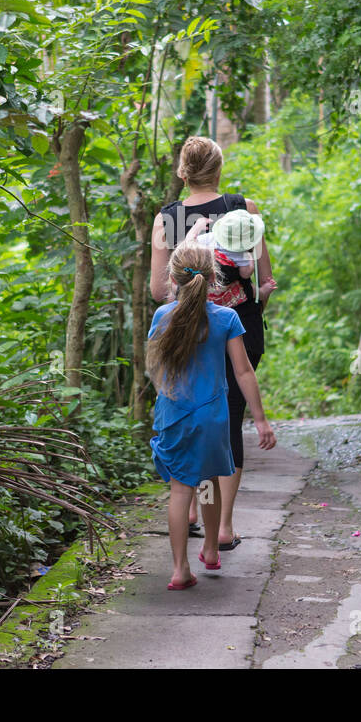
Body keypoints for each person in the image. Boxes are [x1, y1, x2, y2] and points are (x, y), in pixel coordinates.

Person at [151, 137, 276, 552]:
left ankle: (189, 509)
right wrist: (259, 295)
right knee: (229, 419)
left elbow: (157, 291)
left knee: (191, 411)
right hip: (237, 326)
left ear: (182, 173)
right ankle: (222, 528)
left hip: (185, 331)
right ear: (220, 171)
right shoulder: (244, 209)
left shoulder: (165, 219)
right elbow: (260, 282)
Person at [147, 242, 276, 590]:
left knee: (179, 490)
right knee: (208, 482)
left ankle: (179, 570)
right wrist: (261, 419)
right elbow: (244, 372)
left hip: (174, 414)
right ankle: (210, 549)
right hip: (213, 417)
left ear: (173, 278)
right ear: (213, 277)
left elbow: (156, 368)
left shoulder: (162, 317)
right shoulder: (227, 318)